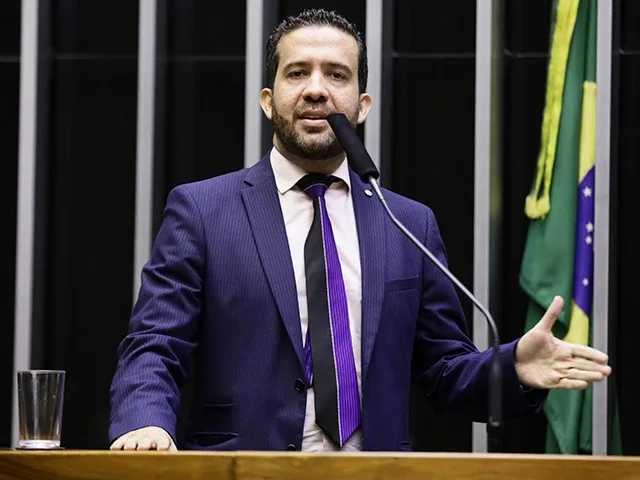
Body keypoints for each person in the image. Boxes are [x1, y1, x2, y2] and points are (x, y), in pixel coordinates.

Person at [108, 8, 611, 452]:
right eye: (297, 72)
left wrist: (513, 367)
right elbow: (155, 343)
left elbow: (444, 372)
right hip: (243, 471)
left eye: (336, 75)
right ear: (268, 99)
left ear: (362, 105)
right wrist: (146, 422)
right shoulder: (203, 210)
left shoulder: (408, 223)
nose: (315, 89)